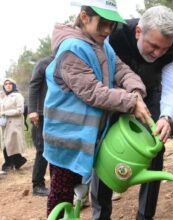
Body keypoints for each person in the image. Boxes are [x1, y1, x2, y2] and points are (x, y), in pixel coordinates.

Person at [43, 0, 150, 216]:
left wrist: (135, 90)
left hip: (87, 137)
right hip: (67, 139)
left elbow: (121, 70)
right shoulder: (72, 49)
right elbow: (93, 92)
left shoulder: (102, 45)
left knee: (77, 194)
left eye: (112, 25)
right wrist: (130, 102)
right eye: (103, 23)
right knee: (60, 197)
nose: (108, 30)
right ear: (84, 16)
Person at [90, 5, 173, 220]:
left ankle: (145, 215)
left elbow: (171, 86)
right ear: (139, 32)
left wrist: (166, 117)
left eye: (164, 49)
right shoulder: (115, 35)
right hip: (114, 93)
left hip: (150, 94)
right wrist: (126, 99)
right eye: (154, 46)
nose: (159, 53)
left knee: (155, 148)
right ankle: (101, 214)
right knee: (105, 147)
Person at [28, 56, 54, 196]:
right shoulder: (44, 63)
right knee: (42, 149)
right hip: (41, 114)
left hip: (58, 114)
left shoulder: (68, 61)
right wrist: (32, 110)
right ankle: (37, 185)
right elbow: (33, 86)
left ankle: (57, 182)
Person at [1, 79, 27, 172]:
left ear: (14, 85)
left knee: (9, 144)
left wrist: (5, 113)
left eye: (10, 84)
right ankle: (19, 161)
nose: (8, 85)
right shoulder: (5, 97)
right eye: (6, 84)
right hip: (6, 124)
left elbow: (20, 110)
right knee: (8, 143)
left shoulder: (18, 96)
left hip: (15, 123)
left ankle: (7, 165)